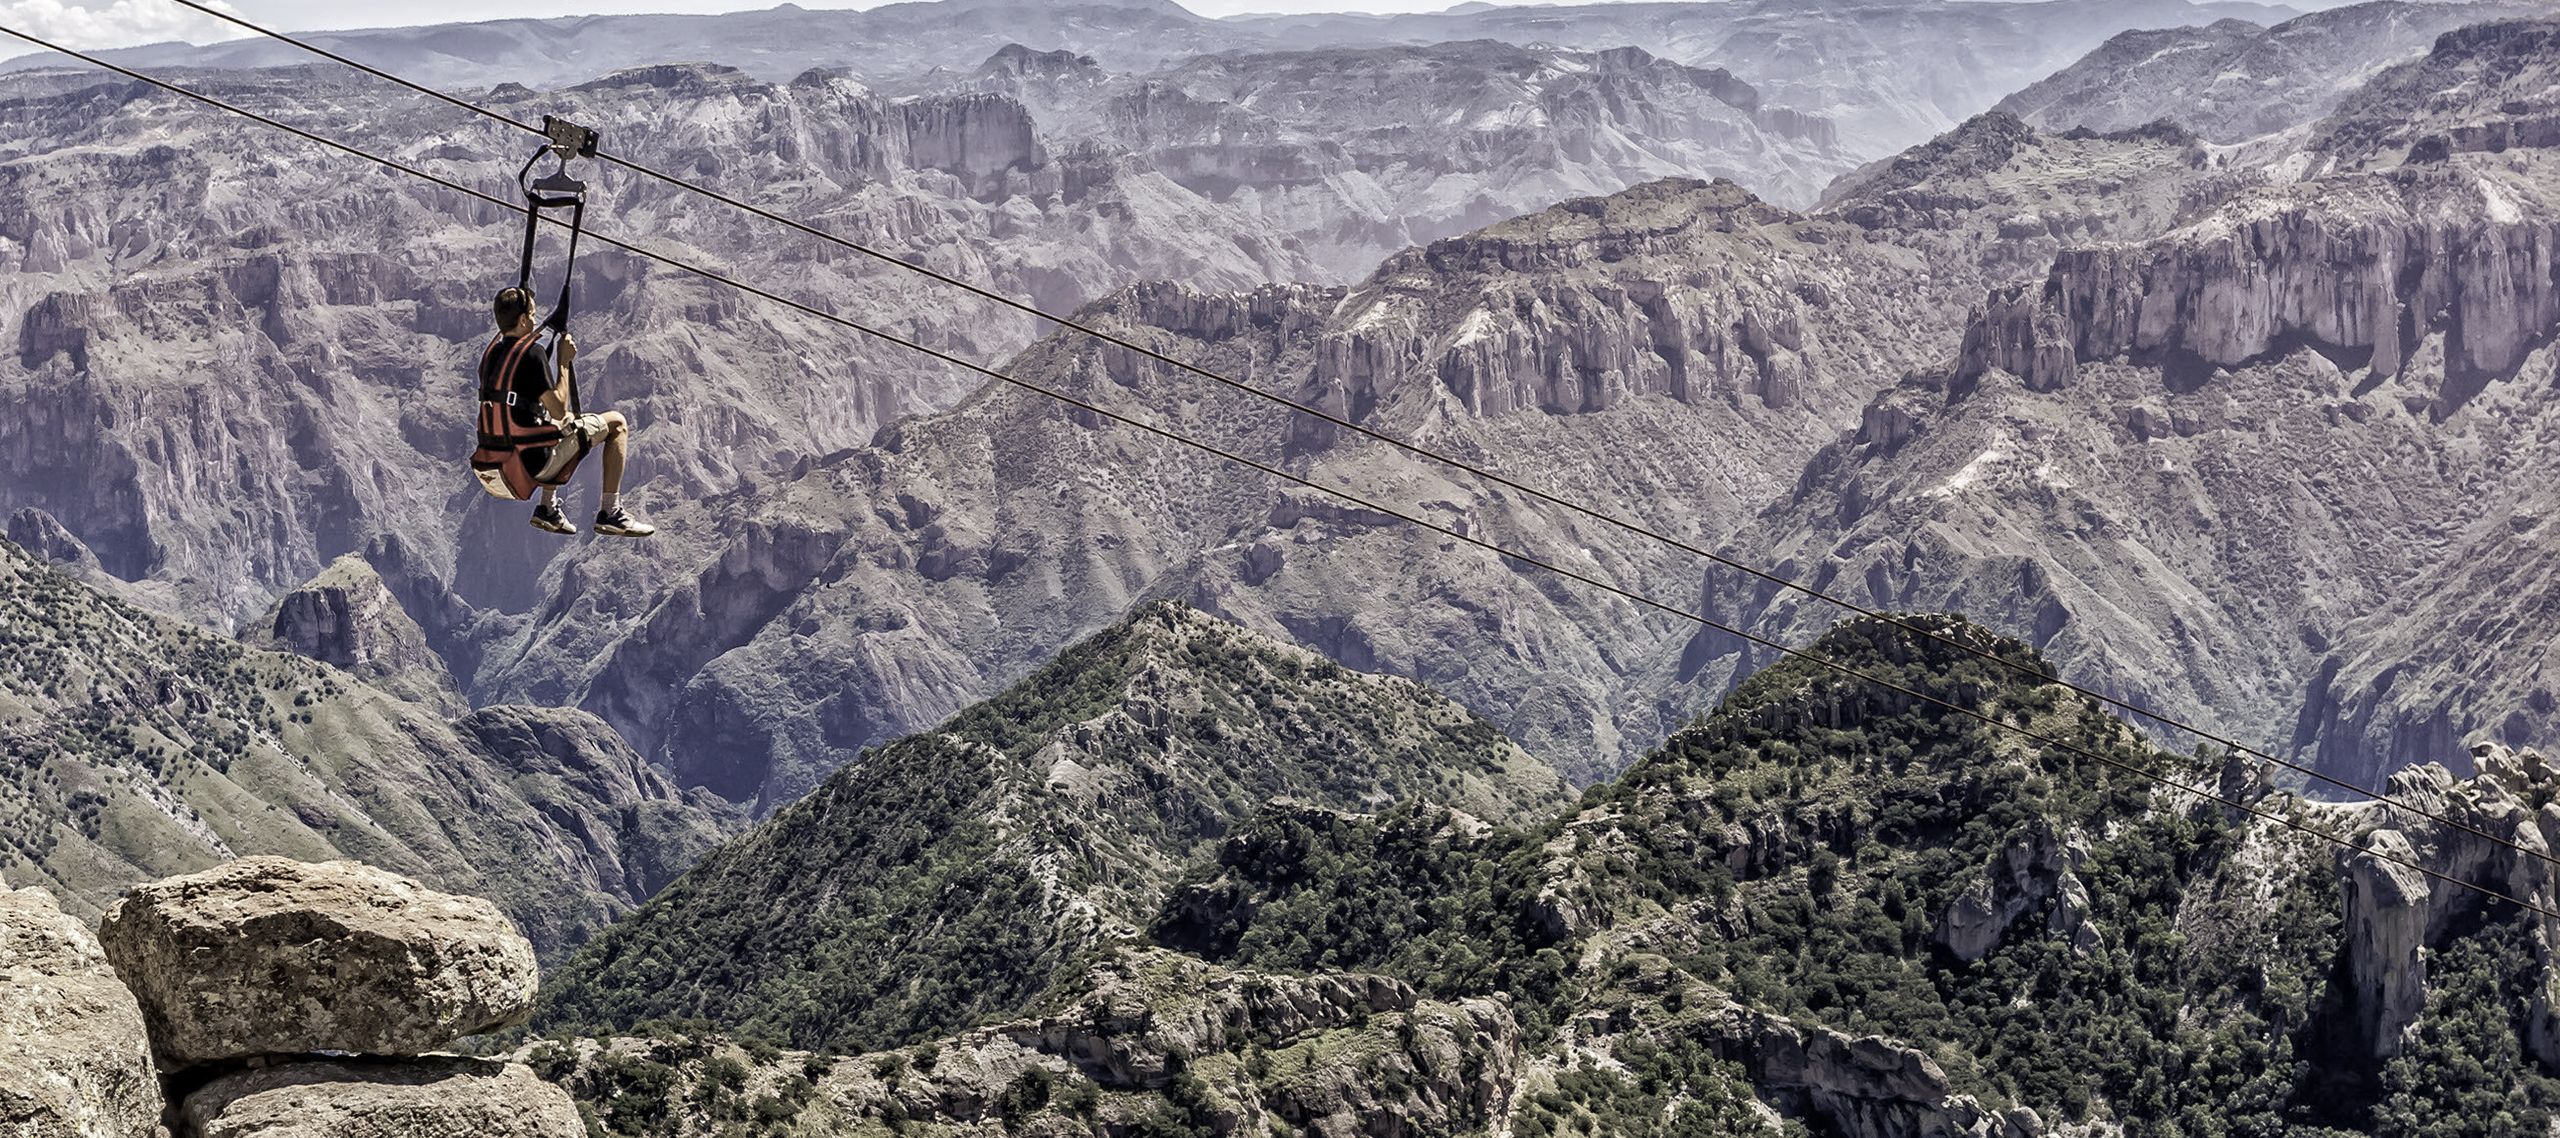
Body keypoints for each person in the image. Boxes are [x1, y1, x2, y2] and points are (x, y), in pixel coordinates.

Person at [483, 287, 654, 537]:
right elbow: (559, 410)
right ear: (522, 320)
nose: (535, 320)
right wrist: (564, 361)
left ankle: (548, 508)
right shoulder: (532, 355)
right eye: (532, 315)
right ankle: (611, 512)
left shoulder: (493, 354)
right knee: (616, 423)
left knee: (566, 422)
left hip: (503, 457)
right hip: (535, 464)